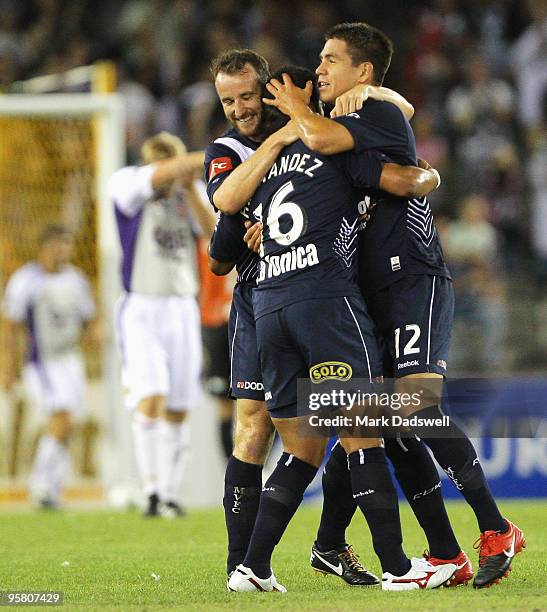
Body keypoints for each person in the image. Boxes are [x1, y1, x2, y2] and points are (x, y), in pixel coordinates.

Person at [263, 21, 525, 589]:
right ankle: (438, 552)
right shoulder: (349, 123)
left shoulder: (365, 116)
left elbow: (334, 137)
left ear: (363, 71)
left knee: (410, 406)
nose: (321, 67)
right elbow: (378, 166)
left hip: (413, 278)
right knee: (370, 419)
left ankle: (495, 527)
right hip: (367, 291)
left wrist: (297, 111)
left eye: (332, 59)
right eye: (320, 57)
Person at [220, 64, 456, 593]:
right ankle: (397, 567)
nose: (330, 83)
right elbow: (401, 179)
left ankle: (251, 568)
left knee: (302, 449)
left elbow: (222, 233)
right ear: (310, 97)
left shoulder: (268, 163)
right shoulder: (334, 148)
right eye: (321, 78)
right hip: (326, 303)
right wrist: (430, 174)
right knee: (362, 434)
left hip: (269, 306)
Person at [108, 132, 216, 517]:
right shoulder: (127, 184)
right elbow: (151, 178)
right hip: (142, 306)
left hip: (182, 306)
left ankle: (169, 494)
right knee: (150, 395)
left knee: (179, 404)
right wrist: (206, 156)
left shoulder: (189, 191)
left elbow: (211, 233)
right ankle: (152, 489)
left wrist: (190, 188)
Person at [1, 225, 96, 508]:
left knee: (68, 422)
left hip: (71, 360)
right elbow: (10, 325)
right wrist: (7, 367)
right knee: (61, 416)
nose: (62, 251)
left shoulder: (76, 279)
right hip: (42, 362)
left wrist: (94, 334)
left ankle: (52, 490)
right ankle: (40, 485)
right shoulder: (26, 280)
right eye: (57, 244)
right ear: (43, 247)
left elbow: (89, 318)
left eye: (66, 245)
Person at [198, 241, 236, 459]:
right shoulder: (198, 221)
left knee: (262, 402)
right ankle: (235, 478)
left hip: (248, 315)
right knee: (225, 402)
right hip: (214, 321)